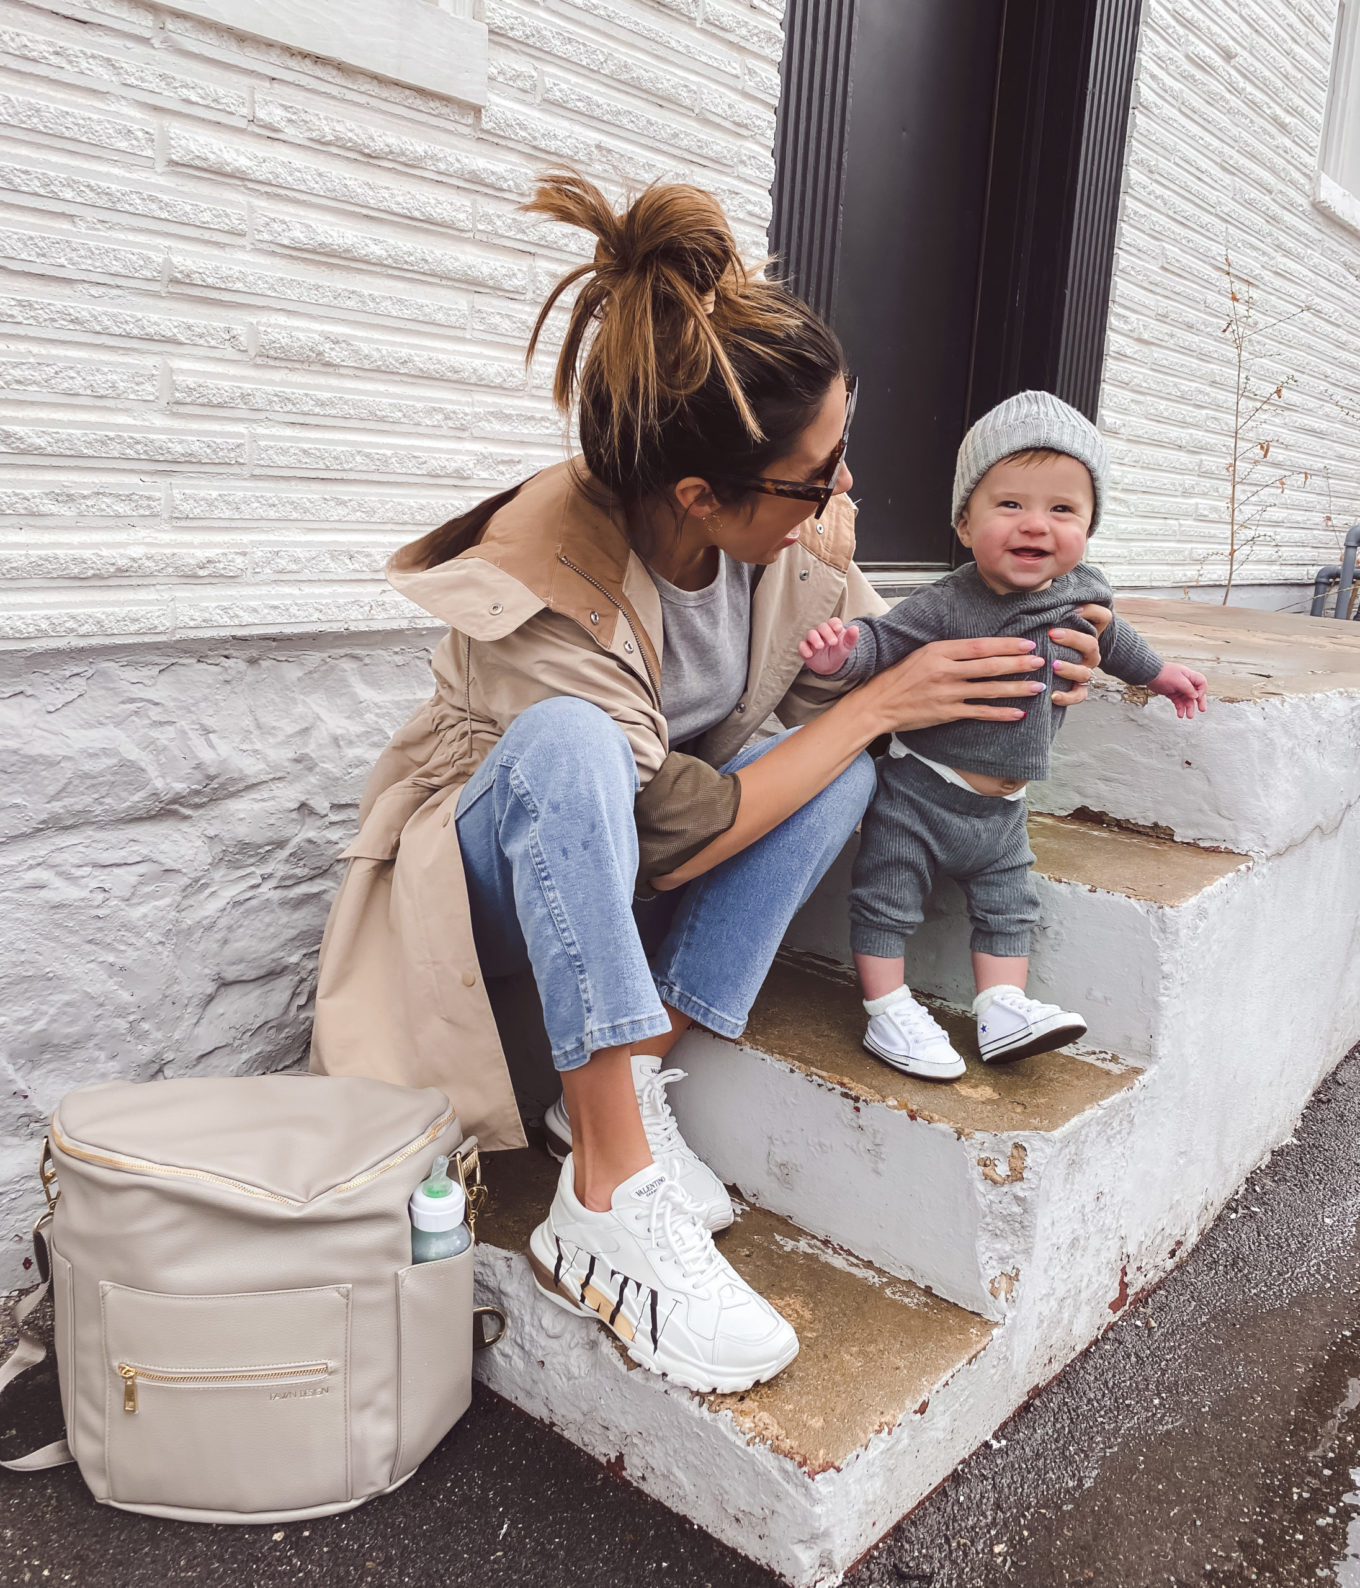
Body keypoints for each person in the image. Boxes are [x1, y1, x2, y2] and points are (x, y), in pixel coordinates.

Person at [310, 177, 1109, 1395]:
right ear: (699, 495)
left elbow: (882, 666)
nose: (843, 491)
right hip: (485, 881)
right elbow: (670, 834)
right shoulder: (548, 582)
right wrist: (882, 705)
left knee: (837, 763)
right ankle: (606, 1194)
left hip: (617, 873)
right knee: (584, 743)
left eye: (843, 451)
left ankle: (622, 1083)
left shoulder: (777, 546)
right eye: (816, 473)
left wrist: (1034, 662)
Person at [799, 391, 1208, 1081]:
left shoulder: (1082, 593)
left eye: (1062, 509)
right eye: (1010, 505)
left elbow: (1117, 642)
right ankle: (886, 1006)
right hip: (923, 792)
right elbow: (885, 638)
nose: (1036, 526)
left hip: (1002, 809)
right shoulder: (951, 600)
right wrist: (841, 652)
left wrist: (1160, 673)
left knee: (1011, 904)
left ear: (1089, 525)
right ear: (965, 522)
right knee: (886, 893)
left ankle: (1001, 1008)